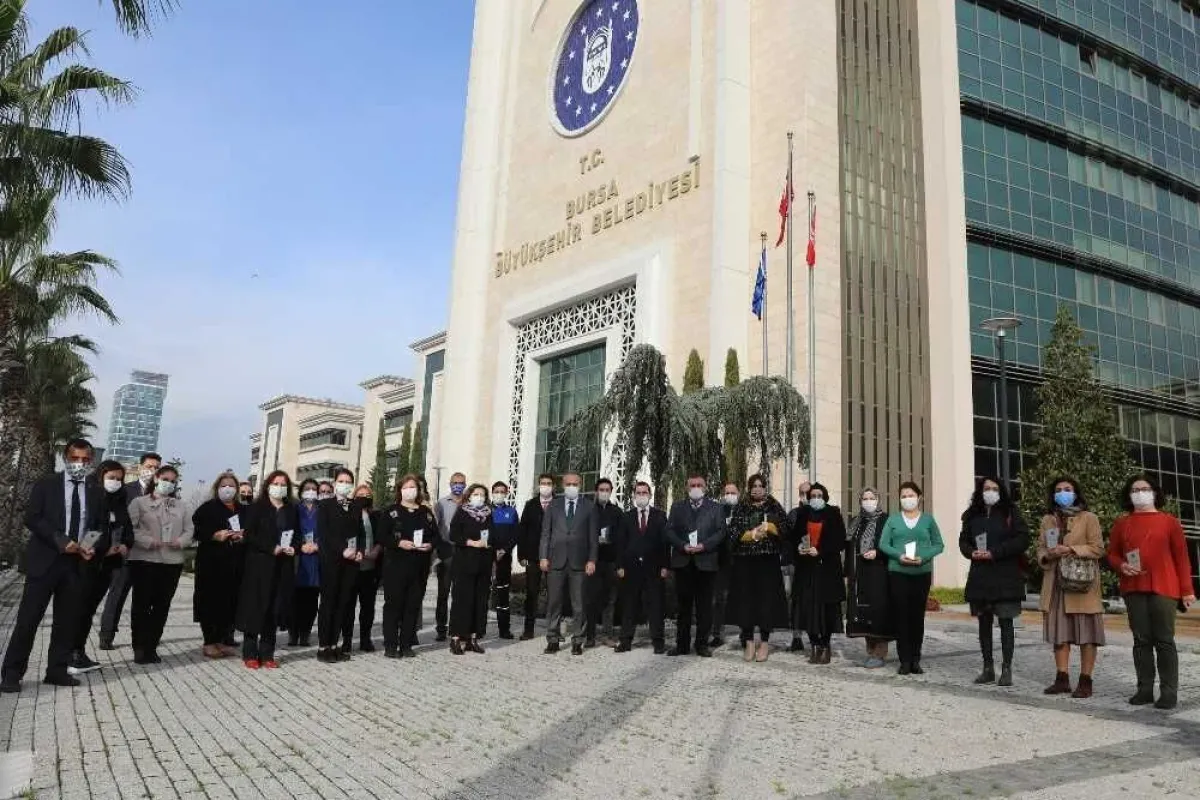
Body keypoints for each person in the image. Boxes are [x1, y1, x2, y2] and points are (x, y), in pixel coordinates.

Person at [1, 439, 102, 692]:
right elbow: (32, 517)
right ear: (66, 459)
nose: (80, 464)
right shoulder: (47, 484)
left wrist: (92, 546)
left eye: (85, 460)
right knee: (28, 619)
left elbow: (99, 524)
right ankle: (12, 673)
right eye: (75, 459)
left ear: (91, 461)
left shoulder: (95, 490)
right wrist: (60, 540)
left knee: (66, 621)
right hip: (45, 561)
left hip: (77, 565)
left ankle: (56, 670)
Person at [1107, 475, 1195, 710]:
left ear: (1155, 493)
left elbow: (1182, 559)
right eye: (1135, 489)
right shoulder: (1121, 524)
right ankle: (1144, 689)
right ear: (1129, 495)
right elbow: (1112, 554)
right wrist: (1121, 565)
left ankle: (1168, 692)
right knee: (1141, 640)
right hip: (1133, 588)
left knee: (1164, 640)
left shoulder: (1170, 522)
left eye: (1145, 489)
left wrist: (1187, 590)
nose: (1140, 493)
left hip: (1164, 587)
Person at [1036, 477, 1106, 699]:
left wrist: (1071, 549)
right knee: (1059, 634)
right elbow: (1039, 549)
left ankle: (1086, 680)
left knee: (1087, 634)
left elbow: (1097, 549)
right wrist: (1048, 554)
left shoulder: (1089, 518)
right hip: (1056, 584)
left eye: (1067, 489)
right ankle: (1062, 678)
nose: (1062, 493)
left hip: (1082, 585)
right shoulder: (1048, 520)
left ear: (1076, 493)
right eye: (1058, 490)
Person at [959, 476, 1029, 687]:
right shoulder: (972, 515)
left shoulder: (1011, 512)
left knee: (1006, 622)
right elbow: (963, 541)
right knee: (984, 623)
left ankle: (1006, 668)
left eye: (994, 488)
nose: (990, 491)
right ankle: (987, 667)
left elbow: (1022, 539)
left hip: (1005, 576)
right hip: (981, 576)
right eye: (986, 488)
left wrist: (995, 553)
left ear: (1001, 491)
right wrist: (972, 552)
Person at [68, 460, 133, 676]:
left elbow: (128, 531)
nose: (115, 482)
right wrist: (103, 548)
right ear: (100, 477)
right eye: (111, 477)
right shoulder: (91, 500)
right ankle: (70, 653)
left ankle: (78, 651)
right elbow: (85, 531)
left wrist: (124, 545)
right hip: (88, 562)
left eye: (118, 479)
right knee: (79, 608)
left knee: (89, 610)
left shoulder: (120, 502)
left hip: (108, 566)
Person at [127, 464, 194, 665]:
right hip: (145, 559)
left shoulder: (180, 506)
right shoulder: (139, 502)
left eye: (173, 481)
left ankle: (151, 646)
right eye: (166, 479)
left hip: (171, 562)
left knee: (161, 606)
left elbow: (189, 530)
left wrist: (180, 542)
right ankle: (139, 647)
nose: (169, 484)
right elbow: (131, 528)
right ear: (156, 478)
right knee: (141, 605)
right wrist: (148, 541)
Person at [877, 481, 943, 675]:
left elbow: (939, 545)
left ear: (919, 497)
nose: (907, 499)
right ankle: (904, 660)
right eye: (904, 496)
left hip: (921, 573)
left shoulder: (928, 520)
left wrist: (924, 557)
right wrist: (899, 556)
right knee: (901, 617)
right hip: (898, 572)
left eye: (911, 495)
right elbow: (883, 544)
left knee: (917, 618)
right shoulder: (893, 520)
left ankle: (916, 658)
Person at [98, 451, 161, 650]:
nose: (152, 470)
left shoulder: (160, 494)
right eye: (149, 466)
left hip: (148, 554)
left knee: (144, 599)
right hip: (125, 552)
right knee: (117, 595)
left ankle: (143, 639)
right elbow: (118, 521)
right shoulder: (125, 490)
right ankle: (106, 635)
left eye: (156, 467)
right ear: (141, 467)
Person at [236, 470, 297, 668]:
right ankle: (250, 653)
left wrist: (293, 547)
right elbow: (250, 535)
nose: (279, 487)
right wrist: (271, 547)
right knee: (255, 608)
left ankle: (267, 653)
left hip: (282, 566)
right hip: (259, 565)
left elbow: (297, 534)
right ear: (268, 485)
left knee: (274, 609)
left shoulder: (291, 509)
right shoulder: (257, 508)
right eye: (276, 483)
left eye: (283, 484)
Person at [726, 474, 789, 663]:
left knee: (766, 601)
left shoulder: (774, 505)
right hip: (744, 561)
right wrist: (752, 534)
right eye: (753, 486)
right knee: (745, 601)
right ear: (749, 488)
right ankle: (749, 641)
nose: (757, 489)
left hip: (767, 561)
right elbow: (733, 532)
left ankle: (764, 642)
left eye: (761, 486)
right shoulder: (741, 506)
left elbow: (786, 529)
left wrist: (770, 527)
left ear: (765, 488)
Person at [665, 473, 726, 657]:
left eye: (699, 485)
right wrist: (682, 545)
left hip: (706, 563)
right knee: (683, 607)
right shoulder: (677, 507)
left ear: (705, 488)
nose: (696, 488)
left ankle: (702, 644)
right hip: (683, 562)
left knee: (704, 607)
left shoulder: (715, 508)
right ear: (687, 487)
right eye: (692, 485)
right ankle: (682, 645)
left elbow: (721, 532)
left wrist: (704, 546)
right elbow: (669, 531)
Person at [539, 471, 599, 655]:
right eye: (568, 484)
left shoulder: (589, 507)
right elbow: (546, 533)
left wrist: (592, 559)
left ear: (580, 485)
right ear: (563, 486)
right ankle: (553, 638)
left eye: (575, 484)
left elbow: (593, 537)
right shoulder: (554, 506)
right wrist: (543, 556)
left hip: (579, 562)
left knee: (579, 603)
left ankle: (577, 641)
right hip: (555, 560)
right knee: (554, 602)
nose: (572, 487)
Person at [380, 474, 439, 657]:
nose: (409, 490)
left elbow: (435, 536)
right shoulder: (391, 511)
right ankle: (391, 645)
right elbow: (382, 536)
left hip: (418, 567)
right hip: (395, 567)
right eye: (406, 487)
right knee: (393, 606)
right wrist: (399, 543)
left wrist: (430, 545)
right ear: (400, 490)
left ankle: (406, 644)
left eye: (413, 487)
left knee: (412, 606)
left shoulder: (426, 513)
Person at [788, 482, 846, 664]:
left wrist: (820, 550)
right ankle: (813, 643)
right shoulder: (802, 513)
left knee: (826, 609)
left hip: (827, 570)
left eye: (819, 495)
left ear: (825, 497)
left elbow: (839, 540)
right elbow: (793, 537)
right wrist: (798, 547)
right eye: (812, 496)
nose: (815, 499)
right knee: (807, 607)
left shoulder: (833, 513)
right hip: (806, 570)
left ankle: (825, 644)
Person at [191, 472, 247, 659]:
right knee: (210, 602)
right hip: (211, 563)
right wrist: (214, 535)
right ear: (217, 488)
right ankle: (209, 642)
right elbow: (195, 530)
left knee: (229, 603)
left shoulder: (242, 509)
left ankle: (221, 640)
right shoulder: (207, 508)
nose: (228, 489)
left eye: (231, 486)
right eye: (224, 485)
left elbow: (252, 530)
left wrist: (243, 536)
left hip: (235, 564)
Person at [613, 481, 669, 653]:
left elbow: (665, 543)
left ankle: (658, 641)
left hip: (654, 568)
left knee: (655, 606)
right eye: (638, 492)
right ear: (633, 495)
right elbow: (620, 543)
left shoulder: (660, 516)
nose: (641, 495)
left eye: (644, 493)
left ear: (650, 495)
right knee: (630, 605)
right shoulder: (626, 516)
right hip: (631, 568)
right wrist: (619, 565)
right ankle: (625, 640)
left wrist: (665, 565)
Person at [316, 468, 365, 663]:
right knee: (328, 603)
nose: (345, 484)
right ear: (335, 483)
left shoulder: (355, 506)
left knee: (343, 603)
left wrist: (360, 549)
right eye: (341, 480)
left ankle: (335, 644)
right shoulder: (325, 505)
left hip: (351, 563)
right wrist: (341, 549)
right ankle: (323, 646)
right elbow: (324, 534)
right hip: (331, 561)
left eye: (348, 481)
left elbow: (360, 532)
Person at [845, 488, 892, 668]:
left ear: (878, 499)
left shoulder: (885, 520)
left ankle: (880, 653)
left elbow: (891, 544)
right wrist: (847, 573)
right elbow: (849, 548)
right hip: (859, 573)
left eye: (872, 498)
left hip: (879, 572)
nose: (868, 501)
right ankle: (870, 651)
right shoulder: (856, 521)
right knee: (862, 612)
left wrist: (878, 553)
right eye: (865, 498)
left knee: (878, 611)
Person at [449, 484, 495, 654]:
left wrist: (490, 543)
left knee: (480, 601)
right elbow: (453, 534)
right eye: (476, 494)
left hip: (483, 563)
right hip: (464, 562)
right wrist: (470, 542)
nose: (479, 497)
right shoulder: (462, 512)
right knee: (462, 600)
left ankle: (473, 638)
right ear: (469, 496)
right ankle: (456, 638)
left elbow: (494, 534)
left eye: (482, 495)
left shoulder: (489, 514)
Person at [341, 484, 382, 654]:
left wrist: (376, 550)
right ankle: (347, 640)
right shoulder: (349, 514)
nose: (364, 497)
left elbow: (382, 536)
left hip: (370, 566)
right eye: (361, 494)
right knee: (348, 606)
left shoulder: (377, 515)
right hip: (352, 565)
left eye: (367, 495)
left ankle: (365, 639)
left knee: (368, 606)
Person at [518, 473, 556, 640]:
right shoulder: (531, 505)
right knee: (531, 593)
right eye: (542, 483)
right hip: (533, 556)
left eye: (548, 483)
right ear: (538, 485)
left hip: (554, 555)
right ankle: (528, 629)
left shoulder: (559, 504)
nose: (545, 486)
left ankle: (554, 629)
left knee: (555, 594)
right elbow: (523, 530)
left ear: (554, 486)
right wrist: (521, 554)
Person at [586, 477, 622, 647]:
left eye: (607, 490)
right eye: (602, 489)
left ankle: (608, 634)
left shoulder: (616, 512)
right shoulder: (588, 509)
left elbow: (623, 537)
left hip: (610, 562)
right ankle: (590, 636)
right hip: (592, 561)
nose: (604, 492)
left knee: (610, 600)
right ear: (596, 491)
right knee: (591, 599)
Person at [433, 472, 467, 641]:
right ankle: (441, 628)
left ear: (465, 484)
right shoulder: (441, 503)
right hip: (446, 550)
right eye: (455, 482)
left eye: (461, 483)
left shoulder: (469, 503)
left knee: (460, 593)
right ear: (450, 483)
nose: (458, 485)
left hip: (464, 551)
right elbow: (435, 527)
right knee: (443, 592)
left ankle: (457, 627)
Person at [289, 479, 321, 647]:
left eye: (314, 489)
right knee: (295, 600)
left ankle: (305, 633)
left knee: (311, 600)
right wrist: (300, 545)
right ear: (301, 491)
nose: (310, 491)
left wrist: (318, 544)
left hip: (316, 558)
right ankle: (292, 633)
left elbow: (330, 532)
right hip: (298, 558)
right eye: (307, 488)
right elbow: (288, 531)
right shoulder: (294, 509)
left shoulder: (322, 510)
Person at [710, 481, 740, 649]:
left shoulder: (743, 510)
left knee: (742, 598)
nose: (730, 496)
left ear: (739, 494)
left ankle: (745, 634)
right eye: (727, 492)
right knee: (718, 599)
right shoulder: (717, 511)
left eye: (733, 492)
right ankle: (716, 634)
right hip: (720, 561)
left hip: (741, 560)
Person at [488, 481, 520, 639]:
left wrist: (504, 550)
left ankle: (504, 629)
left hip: (504, 558)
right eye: (496, 491)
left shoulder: (512, 512)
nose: (499, 494)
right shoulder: (485, 511)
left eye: (502, 491)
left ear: (506, 493)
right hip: (486, 556)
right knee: (481, 593)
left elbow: (516, 535)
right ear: (492, 492)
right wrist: (493, 550)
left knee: (502, 594)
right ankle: (478, 630)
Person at [786, 480, 813, 651]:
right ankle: (797, 636)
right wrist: (787, 562)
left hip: (815, 563)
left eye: (808, 493)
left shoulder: (821, 513)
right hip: (797, 563)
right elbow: (787, 539)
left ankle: (814, 635)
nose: (806, 496)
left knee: (813, 600)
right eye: (802, 493)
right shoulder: (794, 514)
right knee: (796, 600)